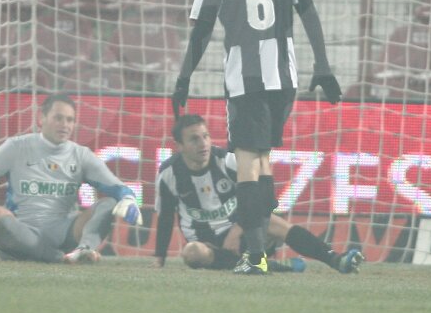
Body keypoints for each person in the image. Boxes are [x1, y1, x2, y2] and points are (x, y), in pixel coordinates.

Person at [171, 0, 342, 275]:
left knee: (248, 167)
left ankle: (256, 258)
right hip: (285, 79)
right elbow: (309, 11)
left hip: (247, 80)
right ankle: (263, 250)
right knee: (262, 165)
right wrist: (324, 66)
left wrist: (183, 79)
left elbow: (200, 33)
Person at [152, 114, 364, 273]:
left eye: (205, 136)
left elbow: (261, 197)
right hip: (207, 245)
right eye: (194, 139)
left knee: (272, 221)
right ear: (179, 146)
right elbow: (165, 218)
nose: (203, 144)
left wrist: (238, 230)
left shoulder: (227, 161)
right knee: (191, 253)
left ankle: (335, 259)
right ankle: (270, 265)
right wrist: (159, 258)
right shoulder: (169, 173)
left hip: (243, 234)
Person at [0, 93, 144, 264]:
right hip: (23, 233)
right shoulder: (16, 147)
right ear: (41, 118)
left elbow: (117, 188)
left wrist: (128, 199)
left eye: (70, 120)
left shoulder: (81, 155)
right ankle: (57, 258)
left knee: (109, 204)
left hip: (64, 233)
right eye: (58, 118)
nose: (65, 124)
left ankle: (84, 250)